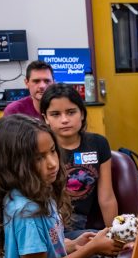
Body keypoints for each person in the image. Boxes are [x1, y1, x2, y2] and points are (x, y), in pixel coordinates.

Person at [0, 115, 123, 258]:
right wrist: (92, 248)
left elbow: (46, 249)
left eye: (53, 151)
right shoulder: (26, 212)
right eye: (39, 158)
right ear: (14, 163)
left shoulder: (39, 190)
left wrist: (73, 245)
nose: (53, 163)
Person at [40, 83, 117, 239]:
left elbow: (107, 198)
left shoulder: (98, 143)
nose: (64, 120)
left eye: (71, 112)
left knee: (115, 243)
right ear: (45, 118)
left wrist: (115, 235)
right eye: (55, 114)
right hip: (46, 223)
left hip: (77, 224)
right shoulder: (40, 147)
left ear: (82, 113)